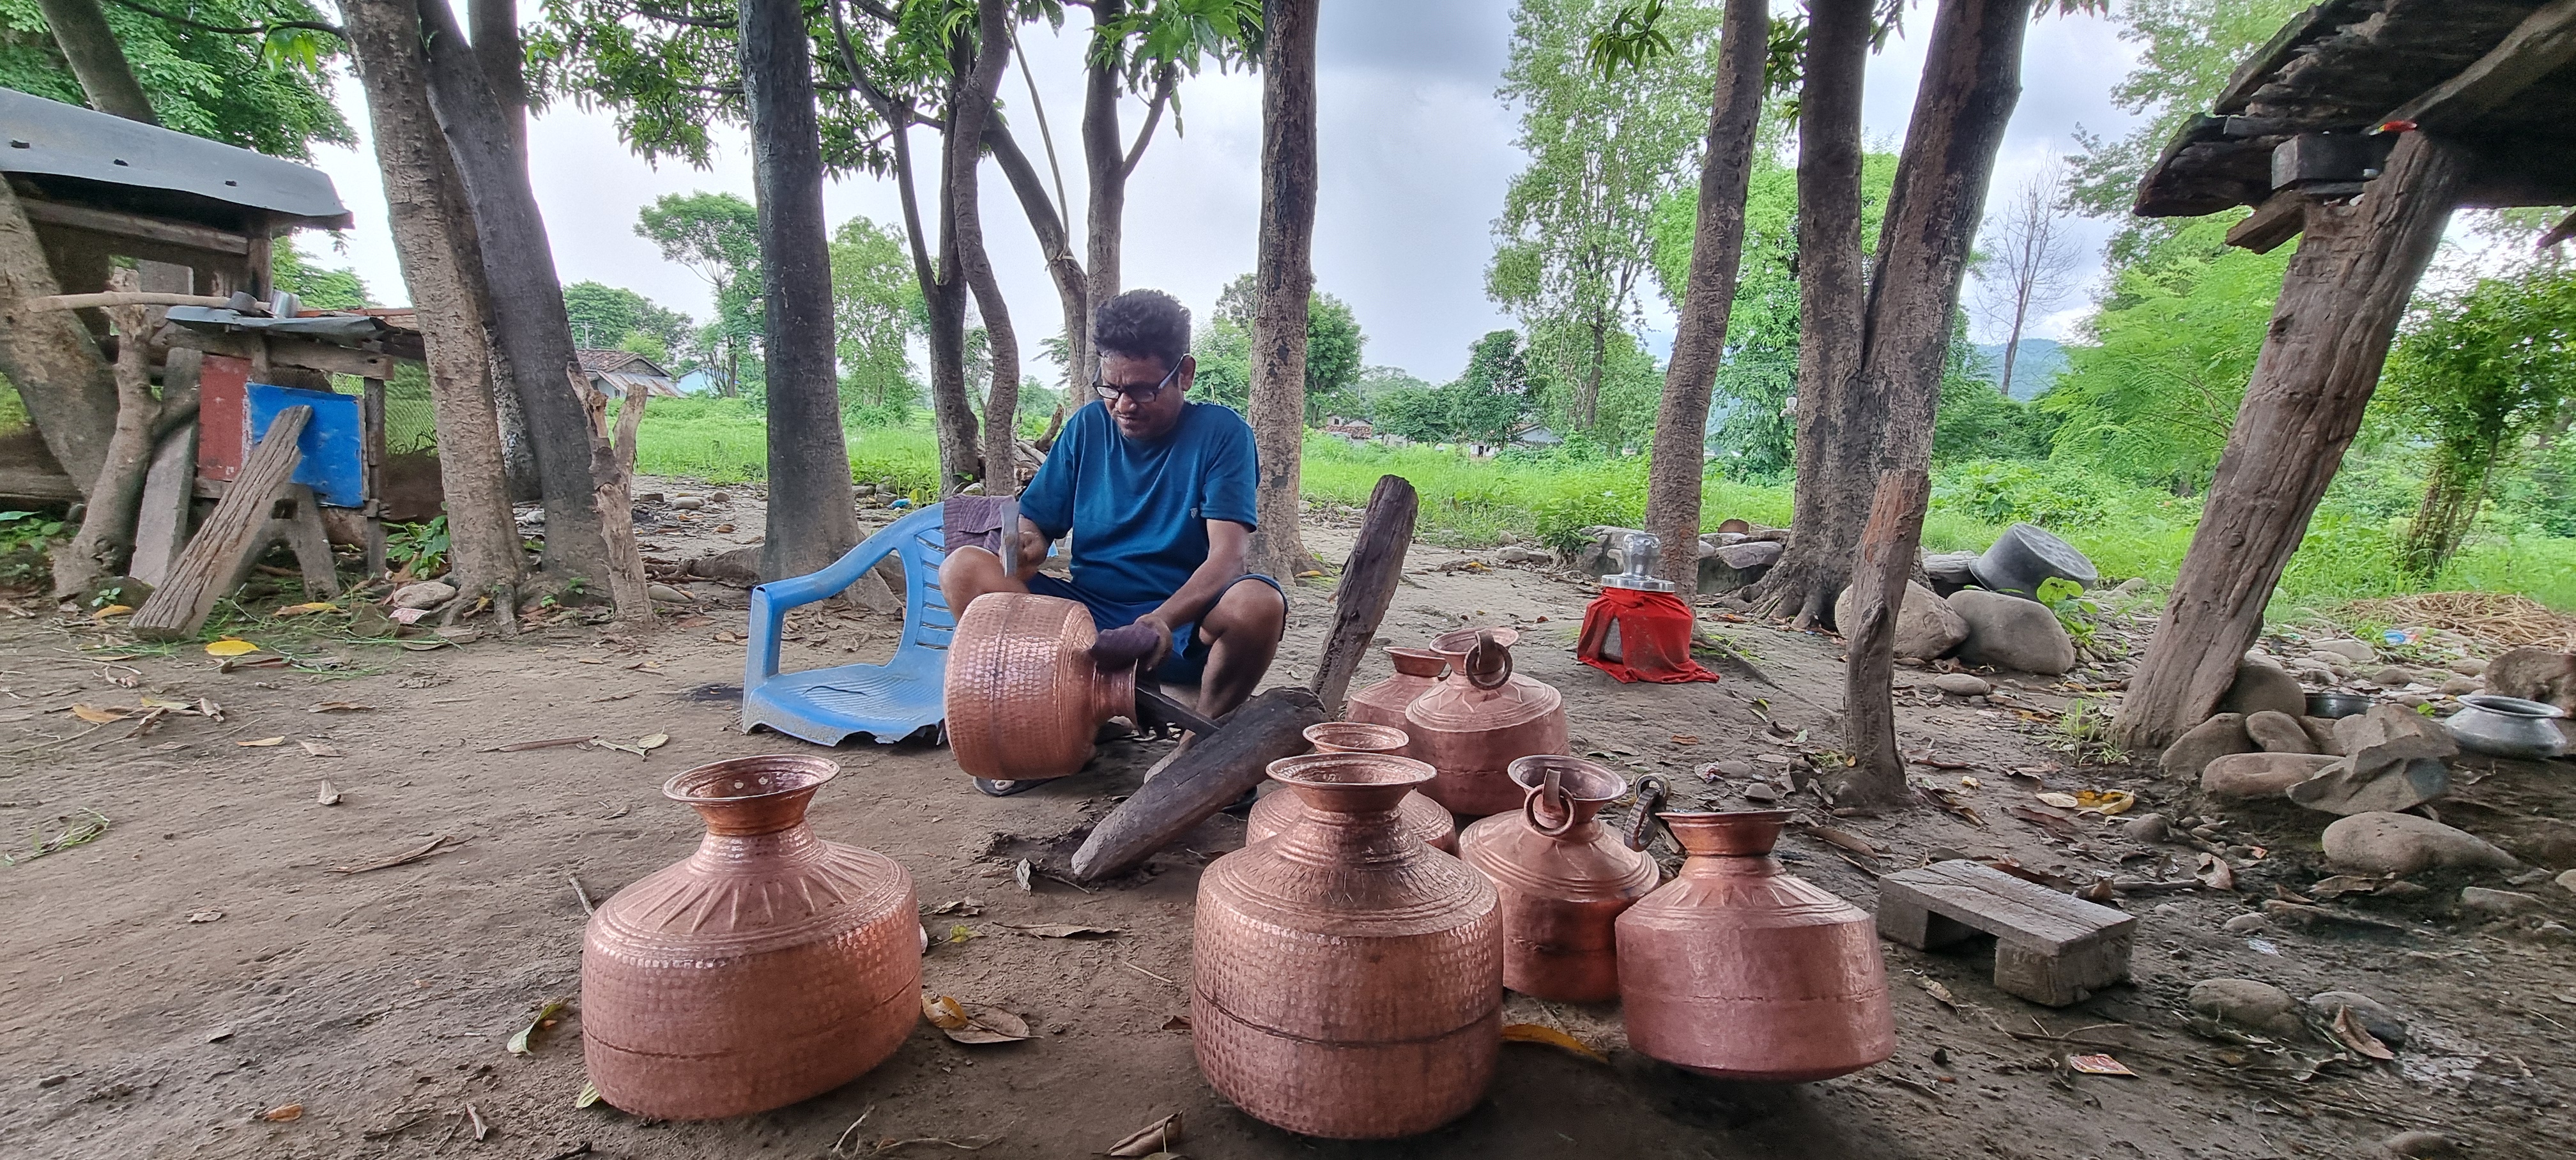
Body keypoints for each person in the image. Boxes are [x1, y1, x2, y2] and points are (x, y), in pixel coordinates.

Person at [940, 289, 1289, 731]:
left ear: (1184, 374)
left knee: (1258, 603)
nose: (1123, 405)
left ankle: (1202, 744)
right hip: (1085, 621)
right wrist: (1028, 541)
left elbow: (1229, 557)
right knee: (963, 570)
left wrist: (1161, 621)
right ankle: (1054, 724)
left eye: (1142, 390)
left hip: (1181, 625)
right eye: (1112, 388)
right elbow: (1038, 521)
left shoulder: (1222, 434)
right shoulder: (1087, 427)